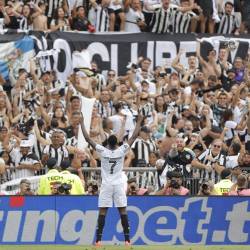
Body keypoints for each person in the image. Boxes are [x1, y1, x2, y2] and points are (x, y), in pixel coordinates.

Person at [80, 112, 144, 247]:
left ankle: (98, 241)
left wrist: (81, 122)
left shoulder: (103, 151)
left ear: (107, 143)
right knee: (123, 211)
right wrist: (138, 122)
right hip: (119, 184)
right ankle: (127, 240)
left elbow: (87, 138)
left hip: (107, 185)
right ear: (117, 143)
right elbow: (133, 137)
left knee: (103, 212)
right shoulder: (121, 151)